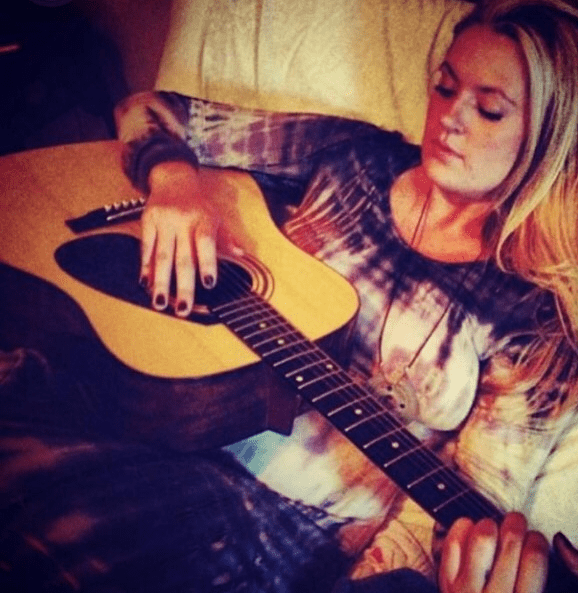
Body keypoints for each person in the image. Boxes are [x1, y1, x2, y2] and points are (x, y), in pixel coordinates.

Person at [1, 0, 578, 592]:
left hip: (275, 530)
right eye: (444, 86)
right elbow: (152, 111)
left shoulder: (535, 319)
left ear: (548, 139)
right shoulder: (355, 157)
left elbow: (460, 528)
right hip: (160, 402)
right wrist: (175, 180)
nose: (450, 118)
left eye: (488, 109)